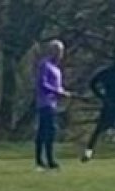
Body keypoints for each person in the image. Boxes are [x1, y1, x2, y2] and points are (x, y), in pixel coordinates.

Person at [36, 40, 72, 171]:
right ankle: (45, 160)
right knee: (48, 131)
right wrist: (57, 92)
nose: (60, 54)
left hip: (53, 102)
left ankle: (44, 160)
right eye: (57, 51)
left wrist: (62, 92)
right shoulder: (45, 65)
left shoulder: (56, 68)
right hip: (45, 102)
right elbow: (43, 83)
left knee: (46, 131)